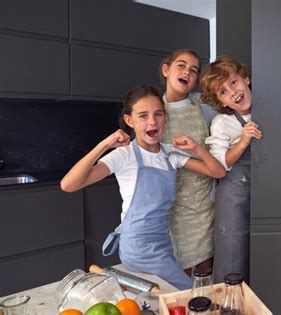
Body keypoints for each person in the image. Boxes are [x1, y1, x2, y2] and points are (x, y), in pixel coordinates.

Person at [60, 85, 225, 290]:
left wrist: (197, 148)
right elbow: (68, 184)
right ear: (130, 120)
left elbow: (218, 172)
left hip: (162, 243)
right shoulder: (124, 155)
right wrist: (105, 144)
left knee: (167, 299)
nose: (152, 122)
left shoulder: (169, 154)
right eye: (143, 116)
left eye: (158, 114)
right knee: (191, 294)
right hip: (138, 246)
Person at [200, 56, 263, 283]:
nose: (232, 92)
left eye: (233, 82)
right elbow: (220, 165)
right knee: (233, 252)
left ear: (247, 79)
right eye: (223, 92)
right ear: (222, 103)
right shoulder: (222, 123)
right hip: (234, 194)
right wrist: (243, 141)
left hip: (266, 189)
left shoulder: (269, 108)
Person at [159, 49, 218, 276]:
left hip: (206, 204)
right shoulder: (156, 109)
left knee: (207, 271)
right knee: (179, 273)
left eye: (193, 70)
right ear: (166, 70)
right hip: (172, 206)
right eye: (181, 66)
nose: (187, 72)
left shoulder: (204, 106)